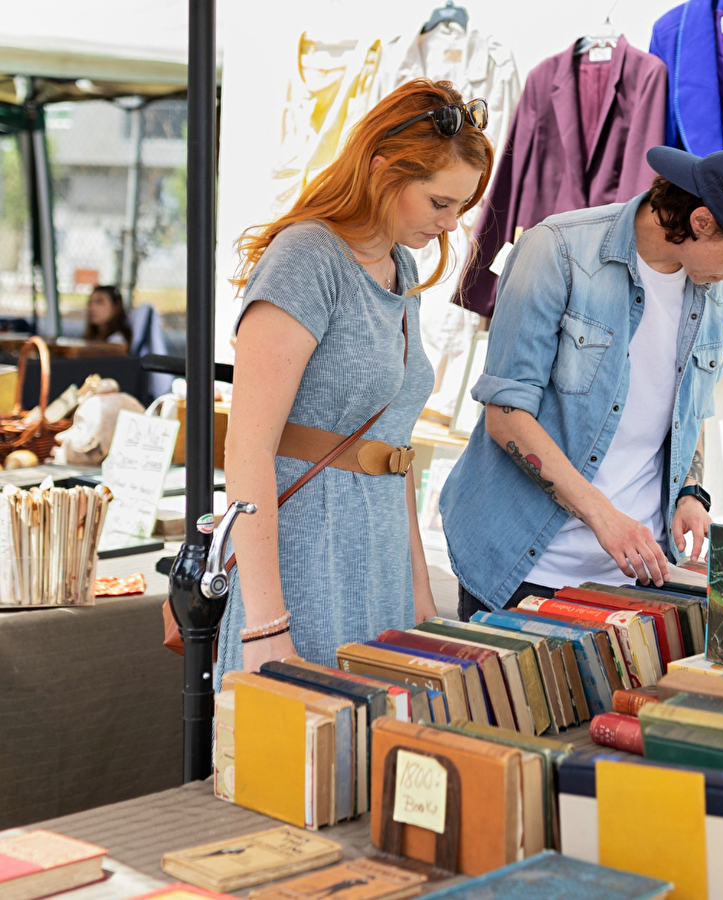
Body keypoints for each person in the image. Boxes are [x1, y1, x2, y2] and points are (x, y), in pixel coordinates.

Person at [440, 146, 723, 620]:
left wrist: (691, 493)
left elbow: (692, 406)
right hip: (521, 565)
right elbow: (506, 415)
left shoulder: (719, 291)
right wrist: (604, 517)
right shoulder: (557, 249)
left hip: (637, 576)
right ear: (702, 222)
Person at [218, 79, 493, 678]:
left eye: (461, 209)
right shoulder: (307, 257)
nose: (450, 225)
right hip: (303, 555)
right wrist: (265, 622)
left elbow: (393, 449)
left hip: (381, 558)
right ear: (383, 170)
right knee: (299, 758)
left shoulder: (401, 265)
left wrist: (420, 599)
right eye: (440, 203)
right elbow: (246, 448)